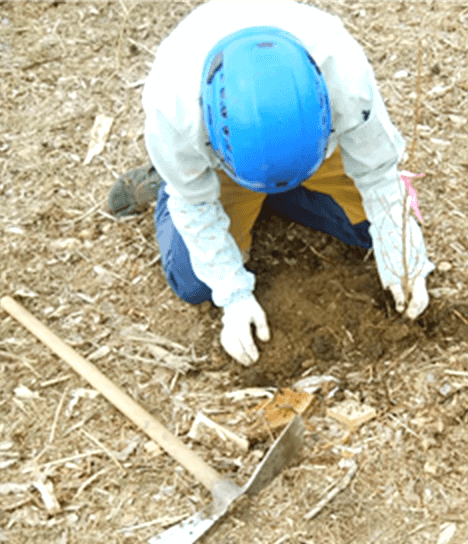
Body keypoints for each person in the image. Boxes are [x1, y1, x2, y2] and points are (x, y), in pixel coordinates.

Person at [108, 0, 434, 366]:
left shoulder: (341, 69)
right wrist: (233, 296)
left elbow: (377, 174)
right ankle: (170, 180)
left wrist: (402, 255)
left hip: (317, 155)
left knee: (372, 234)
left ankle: (275, 191)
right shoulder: (173, 108)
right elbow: (195, 206)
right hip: (222, 168)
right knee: (195, 283)